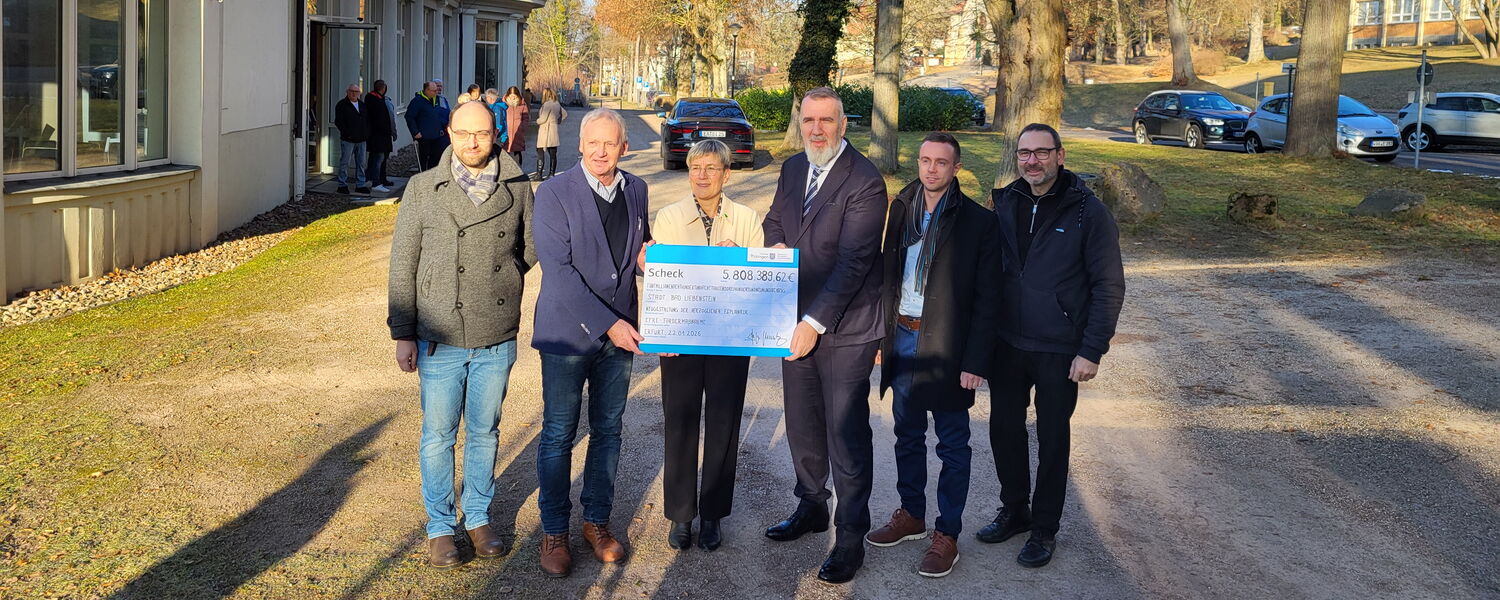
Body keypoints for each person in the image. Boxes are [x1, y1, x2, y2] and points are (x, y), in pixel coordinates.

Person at [387, 100, 536, 569]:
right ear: (449, 133)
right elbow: (403, 263)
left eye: (482, 133)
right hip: (439, 333)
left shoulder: (518, 185)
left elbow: (530, 248)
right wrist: (403, 332)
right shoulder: (422, 188)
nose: (473, 142)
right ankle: (440, 527)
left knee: (485, 431)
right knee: (438, 434)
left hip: (496, 332)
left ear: (496, 135)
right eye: (464, 133)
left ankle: (478, 516)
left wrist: (501, 281)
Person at [975, 123, 1125, 568]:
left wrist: (1092, 349)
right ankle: (1015, 510)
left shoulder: (1088, 212)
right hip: (1007, 343)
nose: (1032, 161)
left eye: (1042, 152)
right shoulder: (1004, 202)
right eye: (1025, 153)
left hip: (1060, 347)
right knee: (1004, 430)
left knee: (1053, 438)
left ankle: (1044, 528)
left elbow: (1108, 285)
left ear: (1060, 156)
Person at [761, 86, 886, 585]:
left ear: (843, 124)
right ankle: (812, 505)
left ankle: (851, 539)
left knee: (845, 434)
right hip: (792, 321)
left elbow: (854, 263)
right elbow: (775, 221)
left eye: (826, 121)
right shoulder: (794, 168)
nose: (816, 129)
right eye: (809, 120)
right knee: (802, 423)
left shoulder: (865, 181)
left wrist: (813, 323)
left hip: (846, 328)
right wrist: (771, 252)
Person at [866, 133, 1002, 578]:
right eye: (925, 160)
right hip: (903, 335)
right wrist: (882, 338)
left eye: (941, 162)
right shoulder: (901, 209)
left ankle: (947, 533)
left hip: (947, 344)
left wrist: (975, 361)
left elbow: (988, 299)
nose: (931, 169)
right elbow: (888, 275)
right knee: (906, 433)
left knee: (952, 443)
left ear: (956, 168)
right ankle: (911, 514)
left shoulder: (978, 222)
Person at [531, 108, 650, 578]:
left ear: (624, 147)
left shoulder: (637, 189)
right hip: (568, 334)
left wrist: (653, 261)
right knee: (559, 433)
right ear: (580, 145)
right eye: (593, 143)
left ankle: (596, 522)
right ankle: (554, 531)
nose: (601, 152)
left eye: (610, 143)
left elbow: (638, 250)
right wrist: (609, 324)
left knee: (608, 431)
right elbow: (558, 272)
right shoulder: (554, 193)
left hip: (619, 336)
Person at [649, 139, 764, 553]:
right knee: (680, 421)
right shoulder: (668, 216)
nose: (702, 175)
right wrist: (661, 332)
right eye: (695, 167)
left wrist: (742, 258)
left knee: (723, 423)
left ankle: (713, 513)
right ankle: (681, 514)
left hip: (730, 338)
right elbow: (663, 278)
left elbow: (761, 281)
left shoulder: (748, 219)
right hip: (682, 337)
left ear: (726, 175)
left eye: (711, 168)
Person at [405, 81, 452, 171]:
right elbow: (409, 116)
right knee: (424, 156)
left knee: (436, 155)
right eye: (433, 91)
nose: (436, 92)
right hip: (424, 135)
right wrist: (415, 132)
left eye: (436, 90)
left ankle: (431, 173)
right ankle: (423, 173)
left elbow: (439, 114)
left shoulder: (436, 100)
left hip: (436, 134)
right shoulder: (418, 101)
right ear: (426, 90)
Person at [332, 83, 370, 194]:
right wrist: (347, 134)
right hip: (348, 140)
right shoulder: (342, 105)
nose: (354, 94)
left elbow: (367, 121)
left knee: (361, 163)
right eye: (352, 91)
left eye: (356, 92)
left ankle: (360, 184)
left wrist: (366, 134)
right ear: (347, 92)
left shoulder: (362, 105)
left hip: (361, 139)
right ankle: (342, 185)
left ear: (359, 93)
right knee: (345, 162)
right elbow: (339, 121)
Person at [364, 79, 398, 192]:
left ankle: (374, 178)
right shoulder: (375, 100)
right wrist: (392, 131)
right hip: (378, 136)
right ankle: (376, 182)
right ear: (383, 89)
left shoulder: (377, 99)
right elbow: (383, 119)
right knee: (378, 159)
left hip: (380, 135)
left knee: (377, 158)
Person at [533, 88, 568, 181]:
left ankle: (539, 174)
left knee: (540, 152)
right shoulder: (557, 104)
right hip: (553, 129)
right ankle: (551, 173)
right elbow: (565, 114)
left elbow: (543, 119)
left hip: (545, 130)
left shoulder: (547, 104)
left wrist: (537, 121)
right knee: (553, 153)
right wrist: (557, 121)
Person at [501, 86, 529, 172]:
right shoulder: (503, 104)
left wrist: (522, 127)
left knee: (517, 152)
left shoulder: (522, 104)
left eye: (514, 96)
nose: (513, 98)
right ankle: (506, 172)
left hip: (518, 132)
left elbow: (526, 118)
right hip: (506, 131)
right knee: (505, 152)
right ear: (508, 95)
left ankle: (518, 171)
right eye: (511, 96)